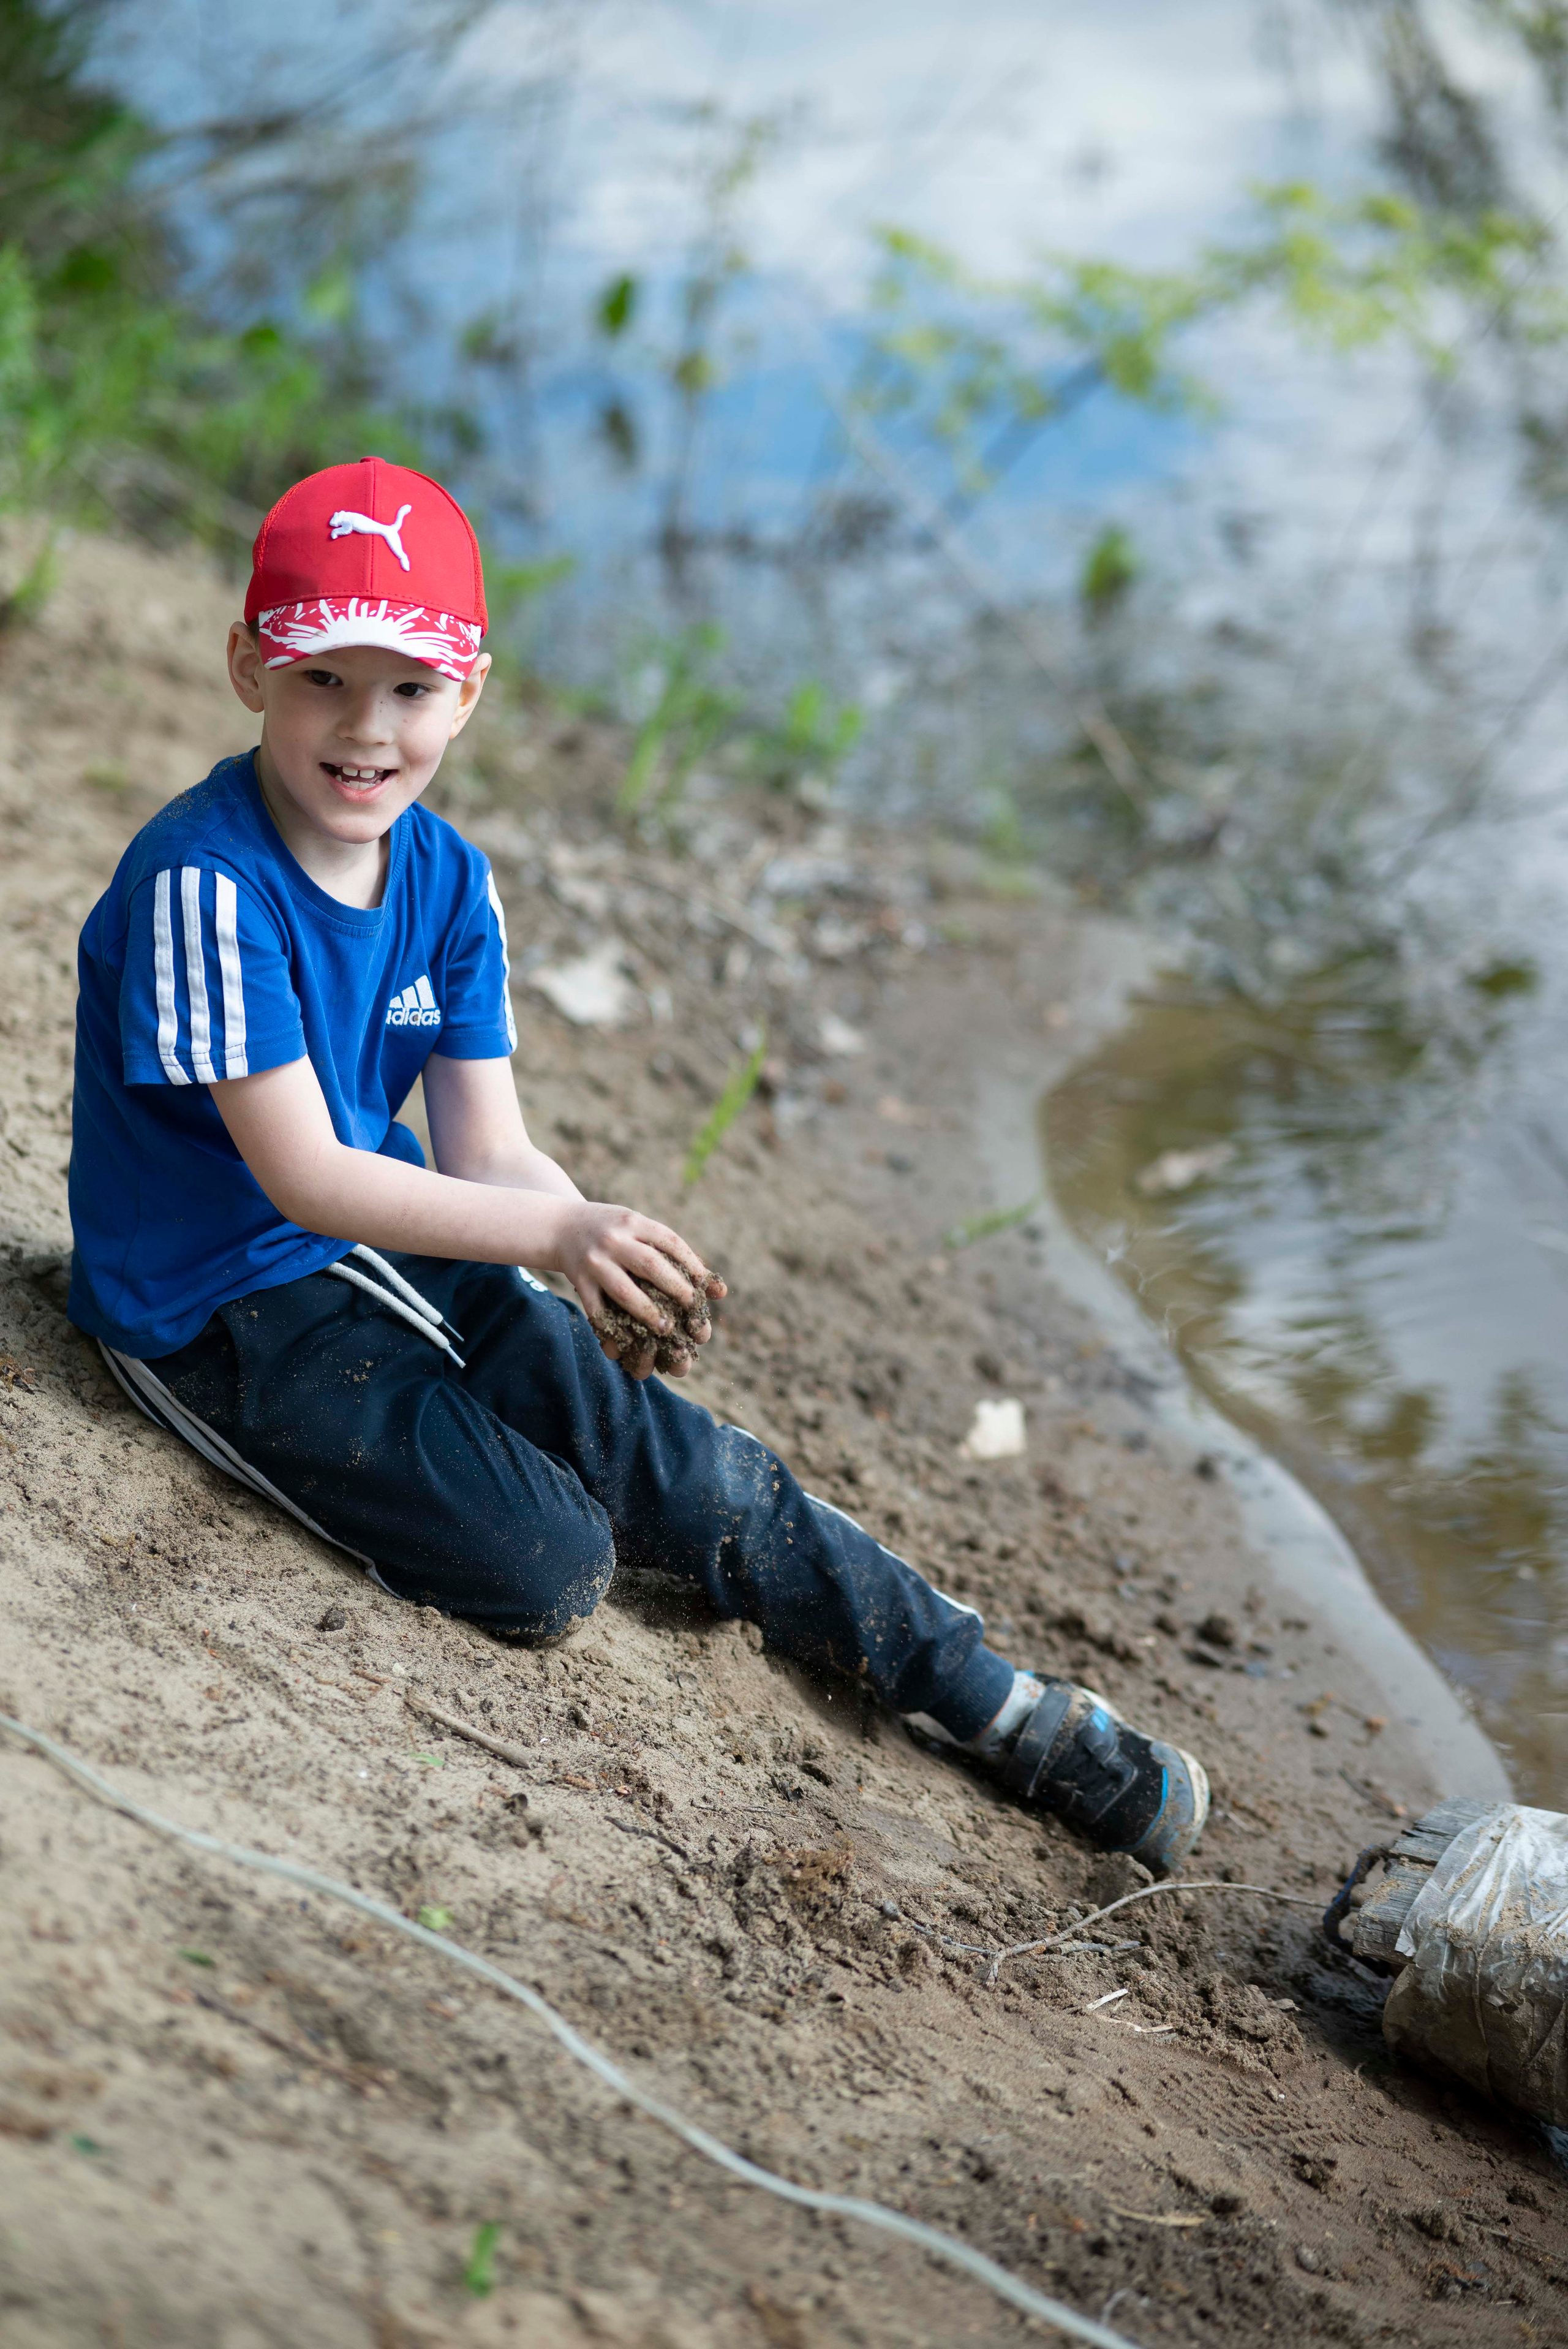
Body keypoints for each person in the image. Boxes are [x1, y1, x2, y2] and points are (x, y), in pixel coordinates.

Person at [66, 457, 1209, 1875]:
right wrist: (547, 1241)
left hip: (397, 1236)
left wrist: (587, 1237)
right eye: (325, 682)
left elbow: (484, 1144)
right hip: (215, 1302)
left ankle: (1001, 1706)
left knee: (695, 1470)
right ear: (252, 668)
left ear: (469, 690)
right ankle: (522, 1468)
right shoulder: (205, 883)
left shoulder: (445, 880)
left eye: (411, 691)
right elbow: (301, 1177)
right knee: (549, 1568)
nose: (366, 730)